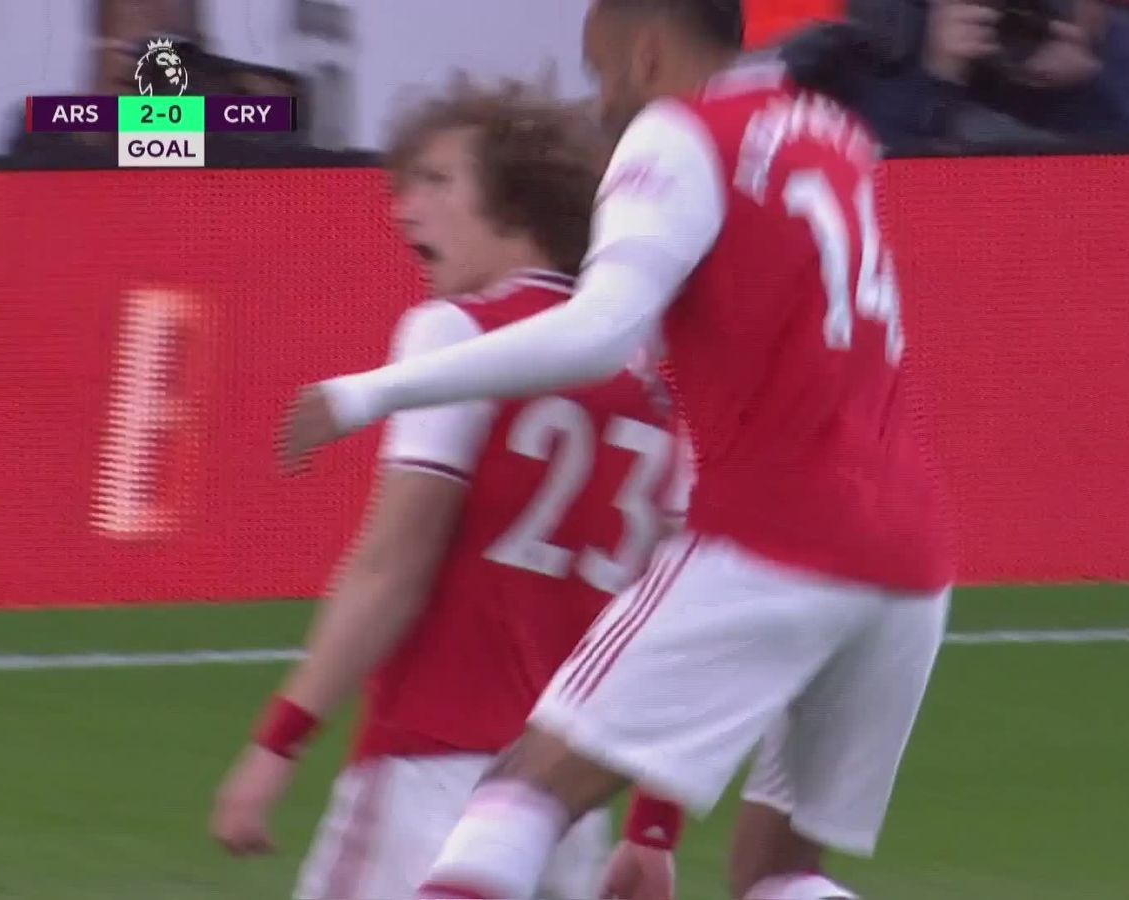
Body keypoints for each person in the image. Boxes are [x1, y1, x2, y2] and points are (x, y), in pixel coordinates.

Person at [280, 0, 957, 896]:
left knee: (519, 793)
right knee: (778, 873)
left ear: (645, 53)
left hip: (773, 535)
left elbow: (600, 332)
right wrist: (652, 824)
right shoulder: (830, 133)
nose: (601, 102)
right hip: (911, 565)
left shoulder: (680, 132)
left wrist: (369, 392)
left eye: (600, 73)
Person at [209, 77, 683, 900]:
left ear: (517, 203)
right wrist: (654, 823)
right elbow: (670, 625)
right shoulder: (654, 390)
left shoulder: (456, 336)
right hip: (566, 810)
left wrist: (278, 743)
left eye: (437, 181)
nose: (406, 208)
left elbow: (393, 568)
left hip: (431, 781)